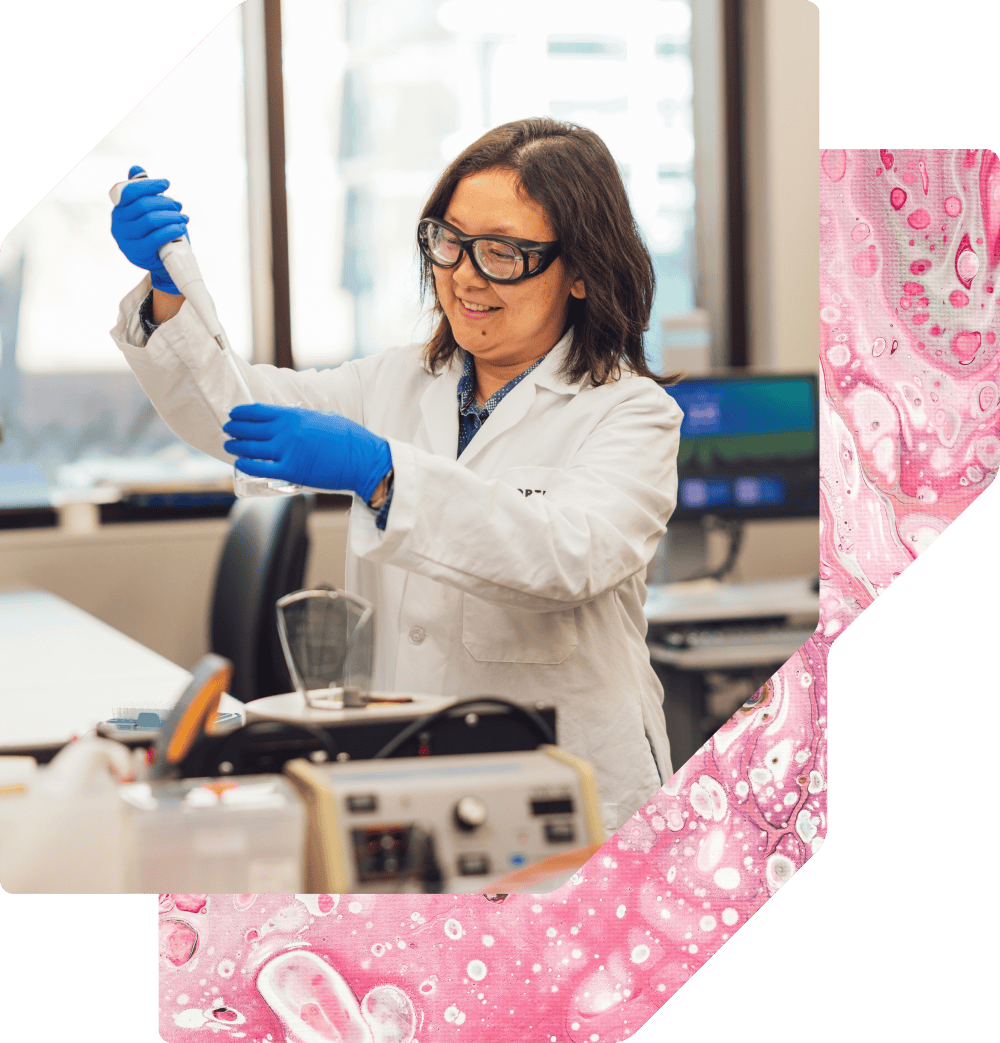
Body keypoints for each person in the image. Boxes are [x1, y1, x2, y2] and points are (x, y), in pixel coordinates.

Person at [109, 117, 683, 830]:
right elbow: (236, 412)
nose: (466, 274)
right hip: (408, 775)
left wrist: (384, 474)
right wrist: (172, 291)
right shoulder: (398, 381)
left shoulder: (632, 413)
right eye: (449, 241)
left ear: (583, 272)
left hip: (577, 787)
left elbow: (564, 554)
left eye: (504, 252)